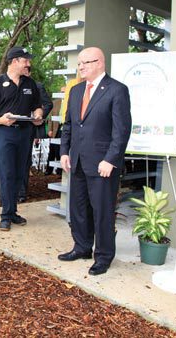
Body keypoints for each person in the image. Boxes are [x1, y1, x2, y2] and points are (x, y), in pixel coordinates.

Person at [58, 47, 131, 276]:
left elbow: (122, 131)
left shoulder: (117, 90)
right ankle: (82, 247)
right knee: (78, 208)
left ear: (99, 62)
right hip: (77, 161)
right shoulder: (77, 90)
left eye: (85, 63)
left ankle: (103, 256)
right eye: (79, 63)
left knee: (102, 212)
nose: (80, 67)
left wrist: (110, 159)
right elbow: (69, 125)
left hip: (102, 165)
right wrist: (64, 152)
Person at [0, 46, 43, 231]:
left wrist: (38, 116)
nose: (28, 63)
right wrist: (1, 120)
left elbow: (38, 106)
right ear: (15, 61)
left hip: (25, 133)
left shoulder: (30, 83)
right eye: (25, 60)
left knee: (19, 173)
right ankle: (5, 215)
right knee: (6, 173)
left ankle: (13, 212)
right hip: (4, 134)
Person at [18, 66, 53, 202]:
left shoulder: (37, 86)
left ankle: (21, 193)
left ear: (29, 72)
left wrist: (37, 117)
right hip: (12, 129)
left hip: (29, 128)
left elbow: (48, 104)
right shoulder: (12, 85)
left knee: (24, 161)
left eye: (26, 71)